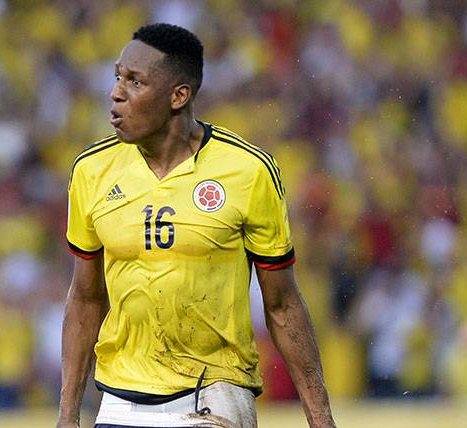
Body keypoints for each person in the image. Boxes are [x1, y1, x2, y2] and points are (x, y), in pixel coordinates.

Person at [58, 23, 335, 428]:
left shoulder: (247, 171)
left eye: (135, 82)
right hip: (120, 402)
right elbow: (85, 298)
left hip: (214, 395)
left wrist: (321, 419)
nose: (116, 93)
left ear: (178, 96)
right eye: (117, 76)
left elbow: (282, 303)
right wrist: (66, 416)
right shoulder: (91, 171)